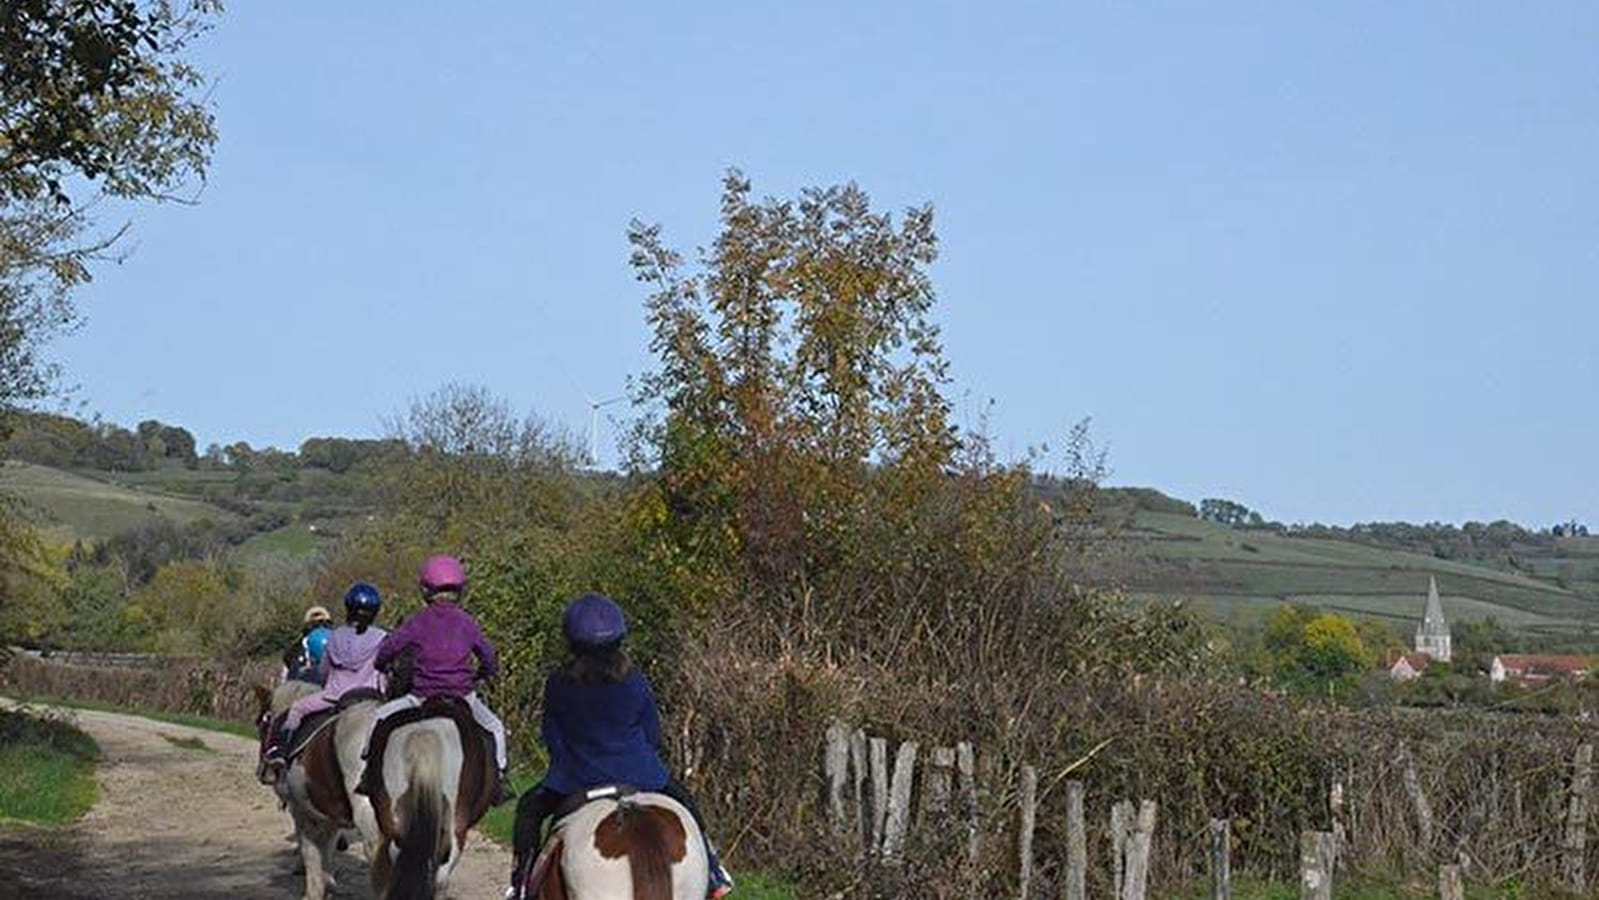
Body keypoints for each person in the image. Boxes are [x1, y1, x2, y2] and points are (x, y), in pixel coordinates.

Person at [509, 593, 733, 899]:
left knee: (528, 811)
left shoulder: (558, 685)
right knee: (688, 805)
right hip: (642, 775)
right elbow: (653, 736)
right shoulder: (636, 682)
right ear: (619, 641)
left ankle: (521, 883)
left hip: (575, 779)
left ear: (571, 643)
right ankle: (714, 871)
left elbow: (552, 739)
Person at [359, 554, 510, 802]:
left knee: (378, 717)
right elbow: (488, 655)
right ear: (459, 590)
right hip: (463, 695)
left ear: (425, 590)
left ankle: (368, 772)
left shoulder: (417, 621)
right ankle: (500, 780)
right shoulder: (467, 622)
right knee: (495, 728)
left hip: (422, 696)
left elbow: (389, 649)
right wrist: (485, 672)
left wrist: (381, 663)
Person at [263, 582, 389, 778]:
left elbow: (323, 671)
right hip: (370, 697)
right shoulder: (382, 637)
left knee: (297, 709)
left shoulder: (335, 636)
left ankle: (281, 753)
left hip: (335, 697)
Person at [282, 605, 334, 685]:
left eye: (323, 623)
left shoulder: (341, 643)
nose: (319, 628)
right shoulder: (294, 652)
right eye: (315, 624)